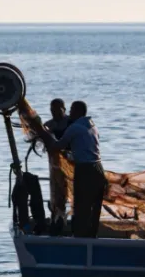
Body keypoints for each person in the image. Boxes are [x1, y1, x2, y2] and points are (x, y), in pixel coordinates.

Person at [27, 100, 107, 238]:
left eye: (72, 110)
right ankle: (91, 238)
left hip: (85, 170)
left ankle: (80, 240)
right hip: (99, 169)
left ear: (78, 112)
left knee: (81, 207)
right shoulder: (92, 126)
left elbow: (56, 147)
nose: (70, 113)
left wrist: (44, 134)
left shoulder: (74, 127)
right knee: (94, 208)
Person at [43, 98, 70, 235]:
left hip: (70, 164)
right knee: (56, 192)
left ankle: (67, 218)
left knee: (69, 192)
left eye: (57, 109)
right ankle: (57, 218)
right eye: (52, 110)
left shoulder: (71, 123)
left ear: (64, 109)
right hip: (54, 165)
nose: (54, 112)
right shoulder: (48, 125)